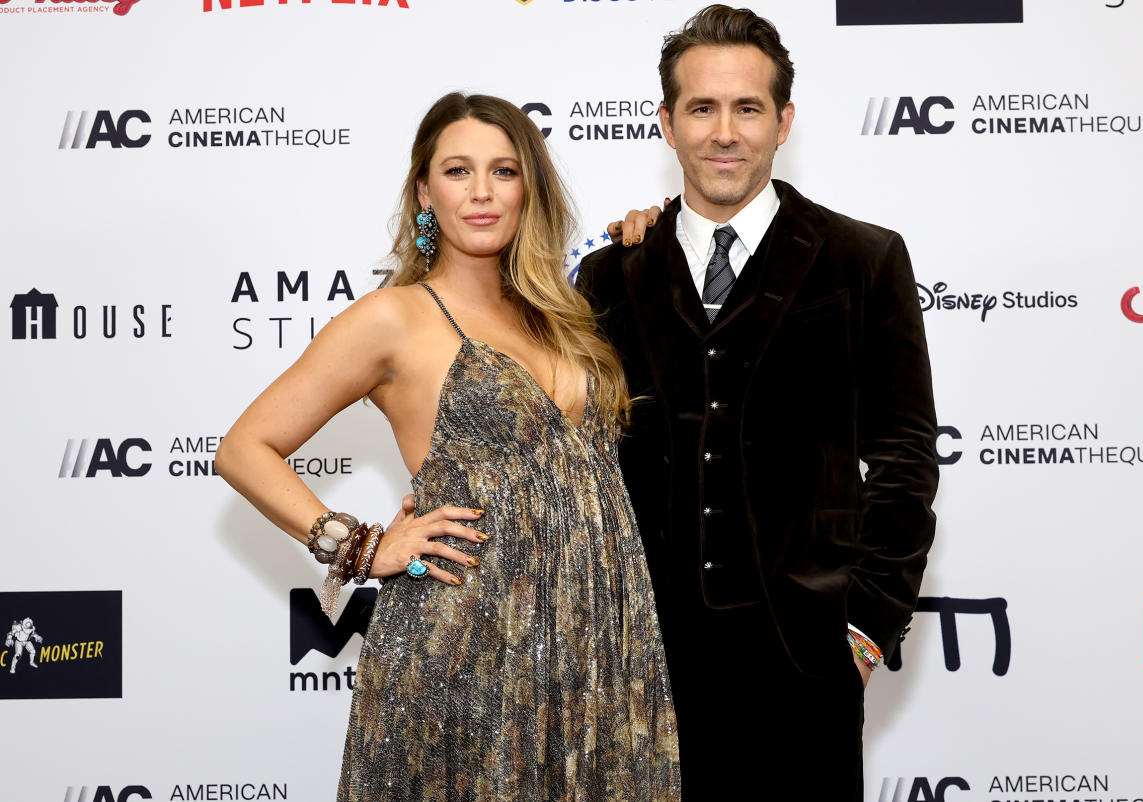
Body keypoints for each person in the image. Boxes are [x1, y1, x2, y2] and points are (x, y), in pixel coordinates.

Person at [216, 92, 679, 802]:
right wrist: (361, 547)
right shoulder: (393, 317)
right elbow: (245, 447)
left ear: (531, 188)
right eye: (459, 171)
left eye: (504, 170)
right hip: (466, 641)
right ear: (425, 192)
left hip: (595, 640)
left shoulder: (567, 311)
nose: (484, 192)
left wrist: (652, 232)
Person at [575, 6, 939, 799]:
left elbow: (908, 455)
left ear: (784, 122)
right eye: (702, 108)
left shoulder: (864, 259)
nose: (724, 132)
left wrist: (867, 626)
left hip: (805, 659)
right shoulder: (609, 276)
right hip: (643, 664)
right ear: (667, 124)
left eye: (748, 108)